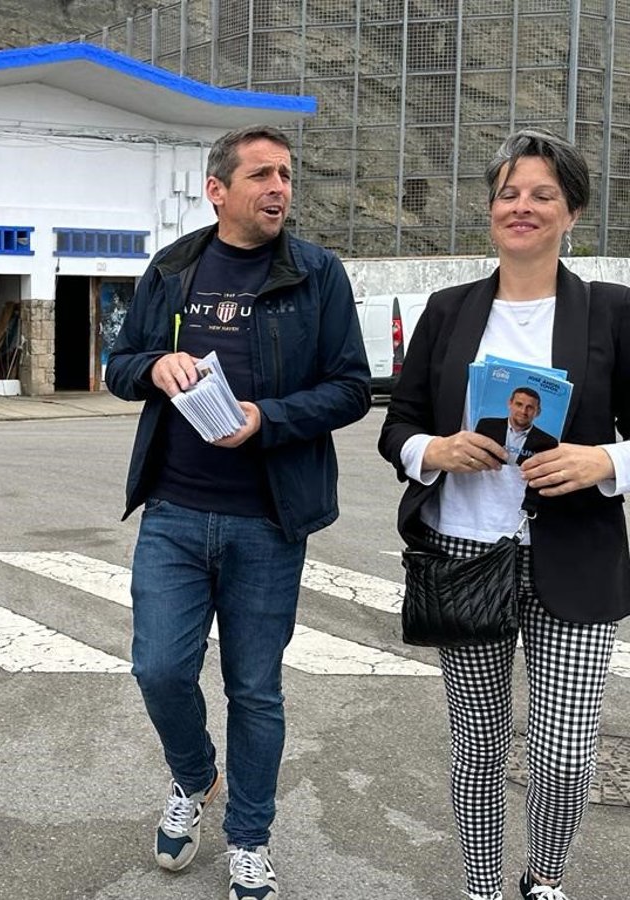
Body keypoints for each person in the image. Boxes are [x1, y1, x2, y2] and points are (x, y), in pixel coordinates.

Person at [105, 124, 370, 900]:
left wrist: (268, 418)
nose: (279, 186)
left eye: (285, 173)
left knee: (255, 689)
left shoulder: (318, 273)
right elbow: (119, 366)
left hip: (267, 520)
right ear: (217, 190)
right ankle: (195, 776)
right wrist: (154, 365)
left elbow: (352, 387)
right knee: (158, 668)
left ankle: (250, 838)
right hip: (174, 511)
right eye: (261, 174)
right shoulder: (173, 267)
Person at [378, 128, 630, 900]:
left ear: (572, 212)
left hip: (575, 555)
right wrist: (435, 449)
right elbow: (397, 424)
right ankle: (482, 888)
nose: (522, 206)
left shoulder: (612, 313)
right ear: (490, 209)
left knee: (565, 756)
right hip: (462, 555)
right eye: (508, 193)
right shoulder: (449, 311)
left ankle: (543, 878)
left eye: (542, 194)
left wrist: (604, 462)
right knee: (479, 750)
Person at [474, 386, 558, 463]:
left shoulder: (548, 443)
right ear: (510, 404)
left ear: (538, 412)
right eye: (519, 404)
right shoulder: (486, 426)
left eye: (530, 407)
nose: (523, 411)